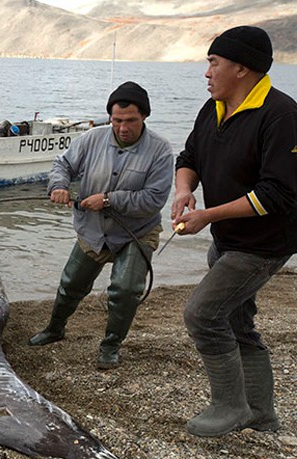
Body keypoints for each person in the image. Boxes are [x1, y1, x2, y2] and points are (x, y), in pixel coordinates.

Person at [172, 26, 297, 437]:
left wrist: (209, 216)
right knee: (239, 325)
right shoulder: (213, 108)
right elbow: (189, 156)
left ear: (241, 68)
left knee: (203, 314)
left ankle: (229, 406)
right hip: (227, 240)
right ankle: (262, 417)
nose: (207, 72)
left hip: (263, 245)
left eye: (214, 62)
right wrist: (185, 191)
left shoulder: (282, 115)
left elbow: (275, 193)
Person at [28, 81, 173, 370]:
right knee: (71, 284)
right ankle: (55, 329)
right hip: (93, 229)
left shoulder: (160, 151)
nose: (122, 128)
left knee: (125, 288)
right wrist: (58, 185)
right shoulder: (91, 138)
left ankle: (110, 345)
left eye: (130, 120)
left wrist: (108, 200)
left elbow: (154, 200)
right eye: (116, 120)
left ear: (144, 116)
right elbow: (62, 165)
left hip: (137, 232)